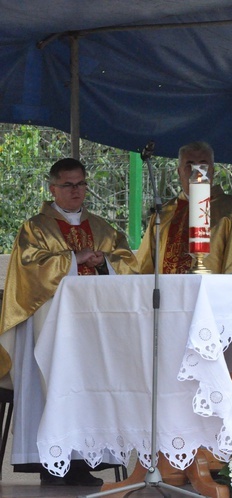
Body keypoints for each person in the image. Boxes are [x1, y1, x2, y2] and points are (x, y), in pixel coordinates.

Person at [0, 158, 138, 486]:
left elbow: (129, 264)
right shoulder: (35, 227)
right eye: (68, 185)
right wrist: (74, 259)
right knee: (54, 385)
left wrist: (104, 261)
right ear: (52, 189)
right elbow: (29, 271)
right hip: (48, 328)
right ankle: (51, 462)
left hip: (97, 330)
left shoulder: (104, 227)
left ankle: (83, 461)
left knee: (93, 387)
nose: (76, 191)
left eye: (81, 184)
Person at [137, 141, 232, 275]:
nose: (197, 171)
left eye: (203, 165)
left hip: (210, 293)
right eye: (189, 165)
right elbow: (144, 269)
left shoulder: (231, 210)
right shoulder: (163, 214)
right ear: (179, 172)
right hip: (169, 294)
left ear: (212, 171)